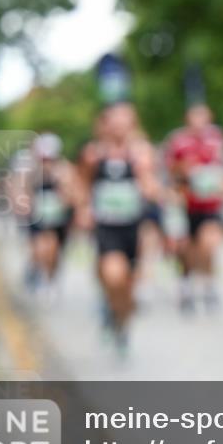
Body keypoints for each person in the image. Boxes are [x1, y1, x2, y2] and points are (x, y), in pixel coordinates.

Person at [78, 102, 160, 355]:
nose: (120, 126)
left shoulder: (142, 153)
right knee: (114, 275)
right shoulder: (93, 154)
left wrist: (145, 178)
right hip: (107, 227)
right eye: (115, 120)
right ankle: (111, 309)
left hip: (134, 227)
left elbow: (153, 190)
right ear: (106, 124)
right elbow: (82, 186)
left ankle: (120, 323)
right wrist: (83, 209)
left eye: (126, 121)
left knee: (128, 287)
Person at [164, 102, 223, 314]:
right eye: (195, 117)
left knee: (209, 244)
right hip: (186, 205)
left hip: (209, 204)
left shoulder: (217, 139)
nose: (199, 123)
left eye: (203, 118)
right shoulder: (178, 141)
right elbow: (170, 173)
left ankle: (209, 286)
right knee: (186, 249)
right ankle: (186, 284)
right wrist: (183, 170)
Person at [14, 133, 79, 300]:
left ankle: (50, 278)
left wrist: (62, 188)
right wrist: (23, 203)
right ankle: (39, 275)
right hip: (37, 218)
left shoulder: (64, 170)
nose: (46, 162)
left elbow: (73, 196)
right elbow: (19, 191)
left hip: (58, 220)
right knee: (40, 249)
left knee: (53, 251)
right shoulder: (29, 170)